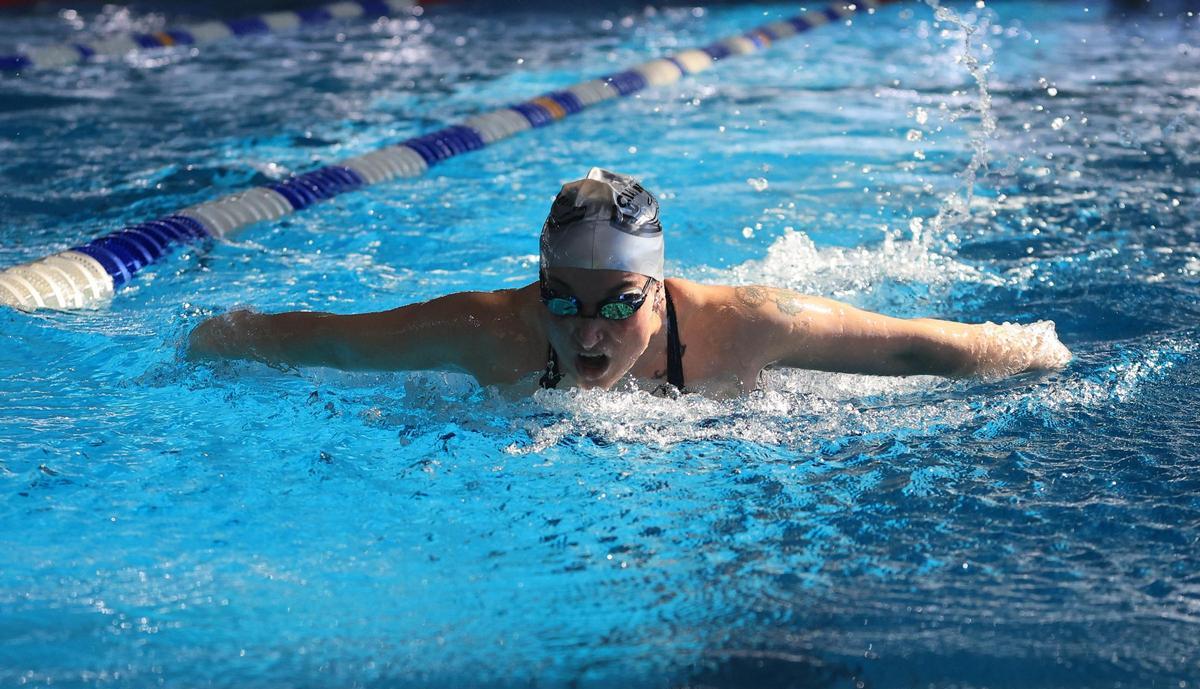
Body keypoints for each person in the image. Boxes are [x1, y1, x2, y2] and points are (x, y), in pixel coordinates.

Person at [187, 167, 1071, 396]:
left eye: (617, 305)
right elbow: (327, 340)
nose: (586, 333)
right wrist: (208, 339)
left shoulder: (749, 323)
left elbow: (920, 349)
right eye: (561, 302)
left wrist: (1039, 352)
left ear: (658, 290)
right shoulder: (486, 331)